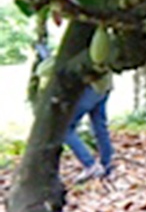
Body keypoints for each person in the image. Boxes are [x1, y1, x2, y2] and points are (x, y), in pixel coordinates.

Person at [36, 39, 114, 180]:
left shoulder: (82, 46)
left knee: (65, 127)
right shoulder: (100, 43)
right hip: (104, 86)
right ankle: (107, 164)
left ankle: (90, 165)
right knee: (99, 126)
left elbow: (45, 70)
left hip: (91, 89)